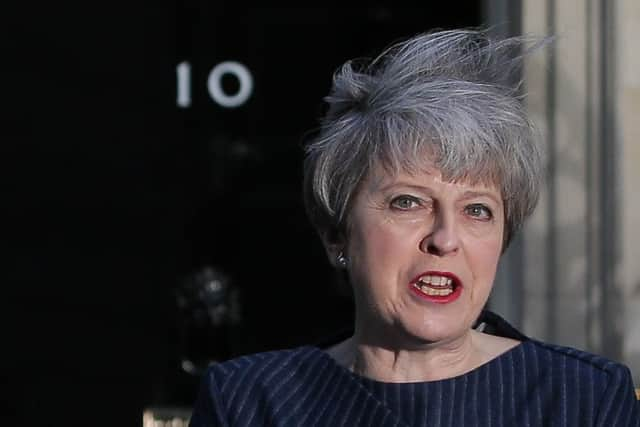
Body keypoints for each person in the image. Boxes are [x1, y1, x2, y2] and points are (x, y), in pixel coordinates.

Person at [188, 28, 640, 426]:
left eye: (477, 210)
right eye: (408, 202)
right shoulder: (249, 402)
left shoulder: (583, 399)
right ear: (336, 234)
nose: (444, 239)